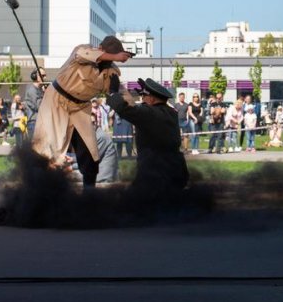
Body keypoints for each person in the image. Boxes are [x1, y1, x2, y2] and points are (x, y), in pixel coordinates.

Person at [31, 36, 133, 187]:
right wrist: (116, 56)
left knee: (90, 151)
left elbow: (123, 95)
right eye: (110, 55)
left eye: (114, 56)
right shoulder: (82, 50)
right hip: (56, 102)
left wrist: (134, 107)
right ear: (101, 49)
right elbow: (84, 54)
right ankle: (38, 188)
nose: (111, 60)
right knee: (47, 149)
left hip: (80, 109)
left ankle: (89, 192)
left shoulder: (111, 72)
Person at [106, 78, 189, 199]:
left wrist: (113, 93)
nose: (142, 99)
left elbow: (125, 109)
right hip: (176, 169)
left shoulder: (149, 113)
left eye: (144, 96)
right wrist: (142, 93)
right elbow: (139, 108)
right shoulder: (170, 112)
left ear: (152, 99)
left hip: (154, 172)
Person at [23, 68, 47, 140]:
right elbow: (40, 106)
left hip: (41, 121)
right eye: (42, 76)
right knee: (35, 148)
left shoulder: (40, 90)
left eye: (45, 75)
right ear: (35, 76)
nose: (45, 78)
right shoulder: (32, 90)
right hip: (34, 122)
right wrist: (45, 94)